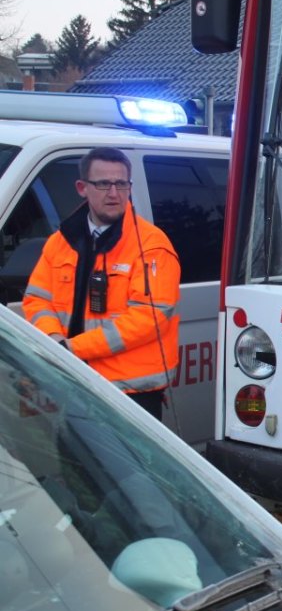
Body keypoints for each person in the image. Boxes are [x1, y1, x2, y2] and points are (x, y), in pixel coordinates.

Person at [22, 147, 180, 419]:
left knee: (130, 464)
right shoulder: (59, 243)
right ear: (82, 188)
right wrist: (53, 340)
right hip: (70, 382)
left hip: (129, 394)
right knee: (69, 460)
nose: (114, 193)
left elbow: (148, 317)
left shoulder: (151, 245)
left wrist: (72, 349)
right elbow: (37, 299)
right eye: (103, 184)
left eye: (121, 184)